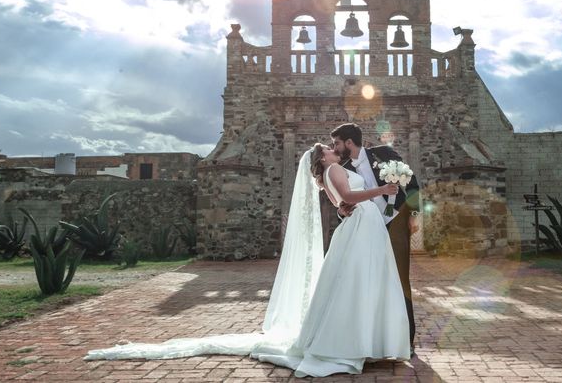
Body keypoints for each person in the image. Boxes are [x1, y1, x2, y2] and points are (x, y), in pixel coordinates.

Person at [85, 144, 410, 377]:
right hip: (362, 227)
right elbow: (350, 198)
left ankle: (356, 339)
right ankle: (357, 341)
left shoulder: (322, 178)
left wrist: (345, 207)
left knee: (353, 282)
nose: (331, 148)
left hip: (356, 226)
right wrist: (382, 189)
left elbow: (340, 206)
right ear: (322, 157)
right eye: (326, 147)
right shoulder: (335, 169)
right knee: (362, 281)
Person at [330, 122, 419, 355]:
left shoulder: (383, 153)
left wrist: (414, 214)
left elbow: (412, 181)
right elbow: (342, 202)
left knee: (400, 278)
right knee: (372, 280)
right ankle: (378, 338)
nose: (335, 147)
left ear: (349, 142)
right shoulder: (344, 168)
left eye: (337, 143)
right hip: (368, 227)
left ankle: (406, 339)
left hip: (396, 220)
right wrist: (341, 213)